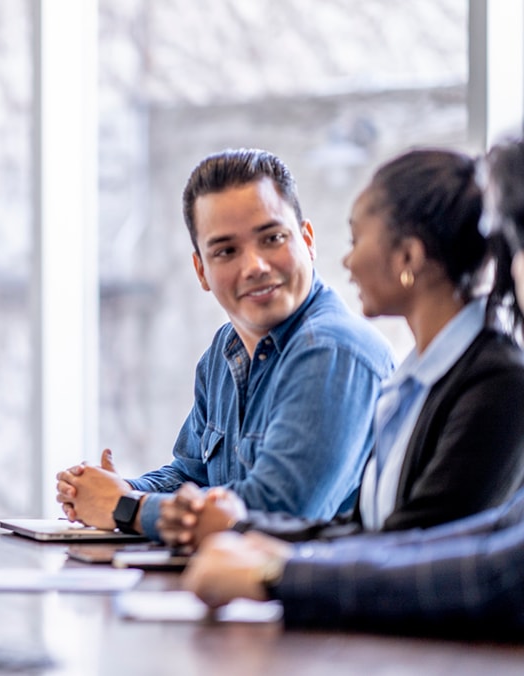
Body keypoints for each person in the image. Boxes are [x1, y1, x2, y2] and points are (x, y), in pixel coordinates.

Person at [183, 137, 524, 640]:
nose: (347, 263)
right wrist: (250, 537)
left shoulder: (496, 382)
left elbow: (467, 565)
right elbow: (394, 535)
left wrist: (275, 571)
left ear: (407, 255)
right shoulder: (416, 380)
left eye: (356, 237)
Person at [56, 149, 395, 542]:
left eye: (272, 238)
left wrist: (125, 508)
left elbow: (276, 513)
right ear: (202, 270)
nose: (254, 266)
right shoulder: (225, 350)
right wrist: (112, 490)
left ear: (306, 240)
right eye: (226, 251)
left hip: (312, 597)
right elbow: (190, 474)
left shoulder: (333, 351)